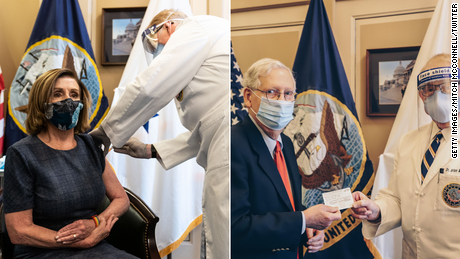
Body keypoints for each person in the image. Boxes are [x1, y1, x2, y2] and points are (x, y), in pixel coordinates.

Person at [89, 9, 229, 259]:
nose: (157, 53)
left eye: (156, 43)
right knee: (219, 237)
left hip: (226, 143)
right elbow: (204, 127)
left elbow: (149, 88)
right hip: (220, 139)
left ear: (169, 26)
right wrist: (149, 150)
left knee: (223, 239)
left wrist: (104, 135)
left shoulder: (195, 28)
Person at [3, 69, 137, 259]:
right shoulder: (21, 154)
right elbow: (19, 231)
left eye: (74, 94)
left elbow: (121, 199)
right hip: (43, 250)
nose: (68, 100)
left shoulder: (91, 146)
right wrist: (78, 241)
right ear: (42, 104)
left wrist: (96, 223)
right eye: (58, 94)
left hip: (95, 247)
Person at [351, 54, 459, 258]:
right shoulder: (409, 141)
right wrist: (376, 210)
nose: (437, 94)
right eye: (429, 88)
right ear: (421, 96)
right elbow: (397, 198)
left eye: (446, 86)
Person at [231, 58, 342, 259]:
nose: (282, 101)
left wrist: (309, 227)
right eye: (272, 92)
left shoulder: (287, 144)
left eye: (288, 94)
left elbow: (287, 205)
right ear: (248, 96)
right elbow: (235, 227)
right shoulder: (232, 144)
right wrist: (303, 220)